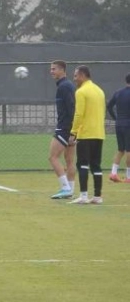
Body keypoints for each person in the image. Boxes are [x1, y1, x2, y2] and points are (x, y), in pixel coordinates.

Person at [68, 66, 106, 205]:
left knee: (82, 164)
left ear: (83, 75)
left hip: (85, 133)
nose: (74, 79)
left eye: (76, 76)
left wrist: (73, 132)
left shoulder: (81, 92)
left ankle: (83, 196)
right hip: (99, 133)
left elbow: (79, 114)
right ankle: (97, 196)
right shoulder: (100, 91)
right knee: (96, 165)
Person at [48, 60, 77, 199]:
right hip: (71, 128)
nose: (51, 71)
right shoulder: (66, 85)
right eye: (51, 69)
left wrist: (72, 130)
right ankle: (70, 190)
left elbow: (72, 108)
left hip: (65, 127)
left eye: (54, 69)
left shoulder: (64, 86)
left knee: (53, 157)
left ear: (62, 70)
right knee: (69, 160)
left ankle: (65, 188)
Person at [107, 73, 130, 183]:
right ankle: (128, 176)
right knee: (129, 150)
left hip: (119, 123)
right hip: (128, 124)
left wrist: (116, 118)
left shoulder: (118, 92)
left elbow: (109, 106)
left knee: (121, 149)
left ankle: (113, 173)